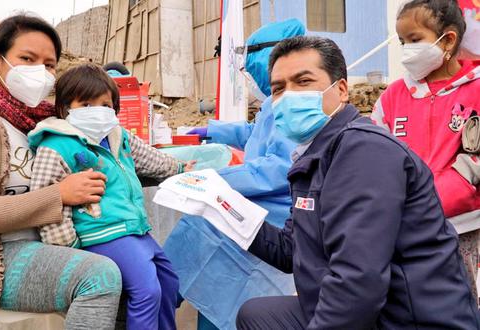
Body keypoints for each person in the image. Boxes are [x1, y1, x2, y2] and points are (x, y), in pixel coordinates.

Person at [235, 36, 480, 329]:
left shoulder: (363, 152)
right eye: (279, 89)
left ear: (341, 90)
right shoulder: (315, 154)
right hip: (374, 306)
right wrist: (219, 206)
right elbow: (290, 250)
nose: (289, 97)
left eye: (303, 82)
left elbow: (358, 283)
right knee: (257, 314)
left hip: (407, 317)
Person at [0, 15, 122, 329]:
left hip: (39, 243)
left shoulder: (37, 121)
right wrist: (58, 195)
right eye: (27, 59)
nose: (40, 73)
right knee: (100, 276)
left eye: (49, 65)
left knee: (135, 265)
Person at [27, 64, 192, 329]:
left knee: (169, 283)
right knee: (146, 290)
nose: (98, 112)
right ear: (64, 109)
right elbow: (46, 200)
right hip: (101, 233)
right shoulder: (56, 146)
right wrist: (69, 250)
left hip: (133, 228)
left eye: (105, 105)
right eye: (86, 104)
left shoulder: (117, 136)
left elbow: (151, 159)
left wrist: (181, 168)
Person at [164, 19, 305, 329]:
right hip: (260, 198)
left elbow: (279, 169)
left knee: (202, 228)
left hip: (275, 209)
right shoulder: (273, 102)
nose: (247, 73)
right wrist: (211, 131)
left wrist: (216, 181)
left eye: (248, 63)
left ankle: (164, 297)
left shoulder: (291, 106)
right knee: (200, 228)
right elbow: (255, 131)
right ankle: (166, 294)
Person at [372, 0, 480, 302]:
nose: (407, 48)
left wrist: (439, 195)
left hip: (457, 225)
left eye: (415, 39)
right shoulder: (394, 95)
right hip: (400, 223)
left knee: (456, 299)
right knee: (406, 300)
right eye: (403, 40)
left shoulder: (476, 89)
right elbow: (375, 152)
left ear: (447, 40)